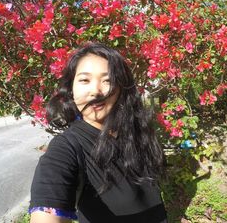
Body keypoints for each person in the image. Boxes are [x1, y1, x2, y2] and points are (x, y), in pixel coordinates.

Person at [29, 42, 167, 223]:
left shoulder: (135, 132)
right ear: (71, 88)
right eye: (84, 80)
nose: (95, 91)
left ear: (121, 88)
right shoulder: (67, 148)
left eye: (107, 80)